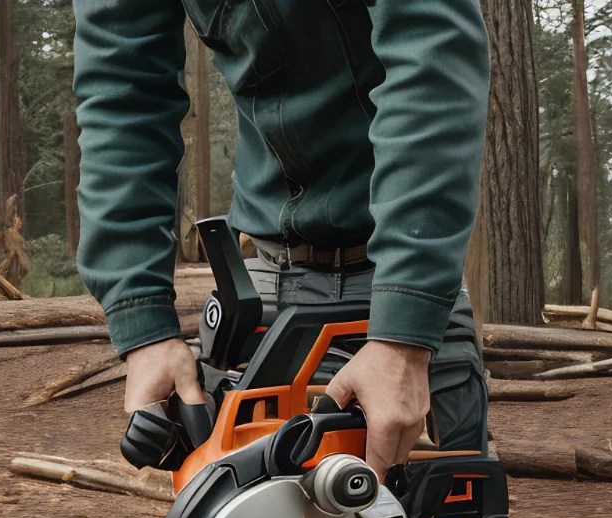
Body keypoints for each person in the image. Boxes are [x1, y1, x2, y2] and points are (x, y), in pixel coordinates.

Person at [71, 0, 490, 475]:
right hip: (267, 283)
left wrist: (405, 330)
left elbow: (433, 54)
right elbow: (123, 94)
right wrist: (142, 325)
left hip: (396, 279)